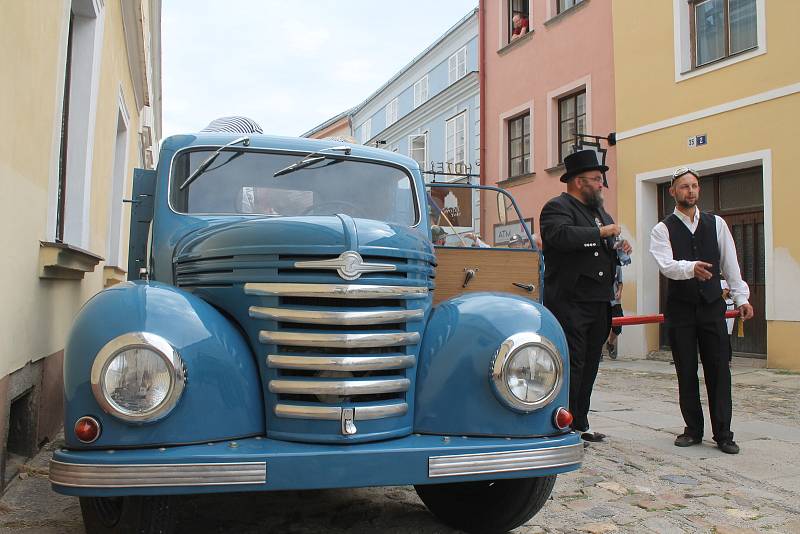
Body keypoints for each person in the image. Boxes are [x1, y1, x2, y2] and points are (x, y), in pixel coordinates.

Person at [649, 167, 754, 455]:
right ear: (673, 191)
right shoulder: (662, 229)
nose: (691, 191)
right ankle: (693, 429)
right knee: (686, 370)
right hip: (681, 309)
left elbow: (730, 263)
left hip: (711, 307)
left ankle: (724, 433)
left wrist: (742, 296)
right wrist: (690, 268)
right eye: (684, 186)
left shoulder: (716, 223)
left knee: (719, 369)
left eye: (694, 185)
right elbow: (665, 265)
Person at [539, 150, 631, 444]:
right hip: (571, 300)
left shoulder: (602, 213)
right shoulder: (557, 208)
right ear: (579, 182)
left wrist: (619, 246)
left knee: (591, 363)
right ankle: (560, 420)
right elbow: (561, 237)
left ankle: (580, 421)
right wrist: (601, 231)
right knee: (573, 363)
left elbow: (605, 242)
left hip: (598, 301)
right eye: (596, 179)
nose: (601, 185)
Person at [604, 265, 624, 360]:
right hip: (602, 301)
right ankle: (598, 352)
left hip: (615, 302)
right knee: (600, 327)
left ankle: (610, 343)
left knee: (618, 327)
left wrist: (619, 291)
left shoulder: (617, 266)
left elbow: (620, 282)